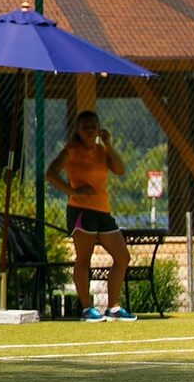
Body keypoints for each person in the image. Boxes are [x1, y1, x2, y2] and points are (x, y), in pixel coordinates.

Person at [44, 109, 137, 323]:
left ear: (98, 129)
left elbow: (120, 170)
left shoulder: (101, 151)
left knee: (122, 257)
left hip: (102, 210)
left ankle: (113, 307)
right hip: (81, 211)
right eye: (84, 126)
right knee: (84, 258)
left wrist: (109, 145)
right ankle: (87, 309)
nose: (89, 129)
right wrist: (73, 191)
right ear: (77, 129)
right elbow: (50, 173)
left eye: (93, 125)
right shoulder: (71, 150)